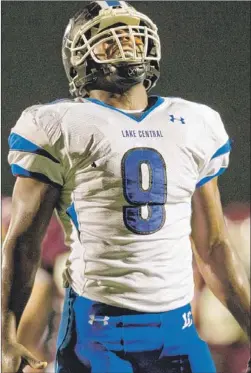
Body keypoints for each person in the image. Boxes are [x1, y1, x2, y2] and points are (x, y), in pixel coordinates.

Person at [2, 1, 250, 373]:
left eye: (134, 34)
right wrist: (6, 337)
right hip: (97, 330)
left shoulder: (195, 121)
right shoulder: (58, 124)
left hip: (178, 330)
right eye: (109, 39)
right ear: (79, 57)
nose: (127, 43)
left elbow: (212, 246)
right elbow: (23, 245)